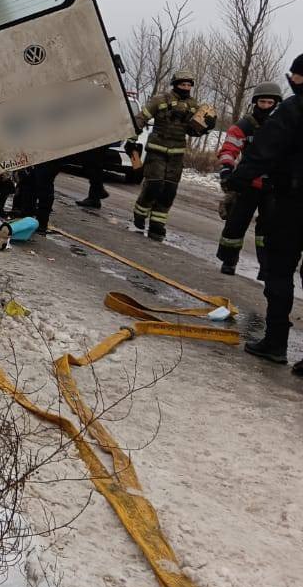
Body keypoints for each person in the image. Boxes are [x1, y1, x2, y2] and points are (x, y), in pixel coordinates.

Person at [227, 55, 303, 369]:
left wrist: (237, 180)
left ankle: (275, 342)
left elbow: (263, 151)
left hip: (292, 204)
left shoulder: (293, 109)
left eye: (293, 76)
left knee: (280, 271)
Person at [130, 69, 217, 241]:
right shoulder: (159, 100)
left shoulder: (194, 106)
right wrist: (132, 140)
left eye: (188, 85)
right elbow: (140, 119)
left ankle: (157, 225)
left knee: (169, 191)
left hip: (177, 154)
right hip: (156, 150)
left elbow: (193, 132)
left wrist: (206, 127)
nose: (185, 88)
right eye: (182, 84)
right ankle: (140, 211)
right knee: (154, 185)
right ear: (175, 84)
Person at [215, 82, 283, 274]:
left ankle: (267, 268)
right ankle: (229, 261)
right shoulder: (245, 126)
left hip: (273, 186)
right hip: (247, 183)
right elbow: (229, 149)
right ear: (255, 102)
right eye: (262, 102)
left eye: (270, 102)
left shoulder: (284, 127)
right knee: (235, 224)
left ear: (276, 104)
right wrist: (227, 170)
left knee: (269, 229)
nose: (266, 106)